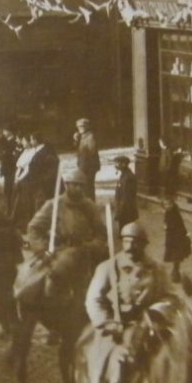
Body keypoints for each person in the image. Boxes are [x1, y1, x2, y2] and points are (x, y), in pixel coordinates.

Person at [82, 222, 170, 383]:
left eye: (136, 242)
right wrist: (106, 322)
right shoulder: (107, 268)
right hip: (118, 326)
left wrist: (158, 314)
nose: (131, 246)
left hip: (149, 324)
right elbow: (93, 299)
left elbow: (169, 296)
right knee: (119, 359)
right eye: (127, 241)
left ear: (144, 245)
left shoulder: (156, 269)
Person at [23, 169, 108, 299]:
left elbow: (101, 233)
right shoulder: (53, 205)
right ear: (67, 185)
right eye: (75, 185)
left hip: (85, 251)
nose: (78, 189)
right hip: (59, 251)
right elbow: (34, 227)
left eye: (81, 186)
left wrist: (93, 246)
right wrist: (41, 248)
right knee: (36, 284)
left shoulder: (89, 206)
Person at [163, 195, 192, 282]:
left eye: (169, 204)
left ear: (172, 204)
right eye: (165, 204)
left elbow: (178, 225)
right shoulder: (168, 213)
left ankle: (175, 274)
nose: (167, 206)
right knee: (174, 256)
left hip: (177, 238)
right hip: (171, 237)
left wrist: (167, 227)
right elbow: (166, 222)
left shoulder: (175, 213)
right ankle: (175, 272)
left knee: (176, 256)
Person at [111, 153, 139, 227]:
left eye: (117, 163)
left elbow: (126, 195)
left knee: (126, 228)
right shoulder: (125, 175)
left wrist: (121, 209)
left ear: (123, 164)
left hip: (126, 209)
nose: (116, 165)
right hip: (124, 207)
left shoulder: (128, 178)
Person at [75, 117, 100, 188]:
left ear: (87, 126)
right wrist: (76, 140)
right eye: (78, 127)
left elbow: (92, 152)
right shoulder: (82, 136)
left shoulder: (90, 137)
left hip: (88, 167)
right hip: (83, 166)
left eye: (82, 126)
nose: (80, 128)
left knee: (88, 188)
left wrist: (85, 167)